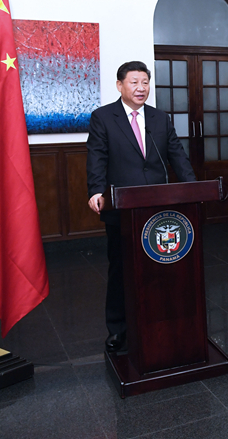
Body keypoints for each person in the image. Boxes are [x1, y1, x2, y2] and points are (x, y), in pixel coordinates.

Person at [86, 61, 197, 352]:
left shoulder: (160, 118)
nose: (141, 88)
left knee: (161, 268)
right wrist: (96, 191)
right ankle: (118, 329)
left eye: (145, 82)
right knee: (121, 270)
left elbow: (177, 155)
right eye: (134, 82)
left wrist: (192, 187)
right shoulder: (103, 117)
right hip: (122, 209)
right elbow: (96, 157)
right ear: (120, 85)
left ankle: (158, 320)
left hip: (159, 209)